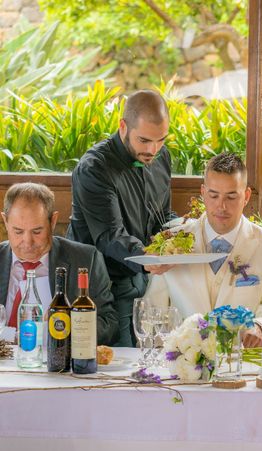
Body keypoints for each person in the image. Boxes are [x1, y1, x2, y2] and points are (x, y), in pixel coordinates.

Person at [143, 152, 262, 347]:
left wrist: (260, 327)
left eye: (231, 196)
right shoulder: (170, 243)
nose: (221, 206)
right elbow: (152, 314)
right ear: (203, 193)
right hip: (181, 366)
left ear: (246, 196)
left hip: (240, 366)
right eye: (213, 195)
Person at [67, 90, 176, 347]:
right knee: (123, 365)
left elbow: (162, 217)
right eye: (145, 140)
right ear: (123, 126)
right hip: (101, 287)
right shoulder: (94, 168)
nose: (153, 150)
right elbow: (108, 236)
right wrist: (149, 258)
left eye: (161, 140)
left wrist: (185, 231)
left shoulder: (163, 157)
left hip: (146, 282)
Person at [1, 183, 119, 345]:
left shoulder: (85, 259)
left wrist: (68, 325)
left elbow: (109, 324)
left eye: (37, 231)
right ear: (5, 222)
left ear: (53, 221)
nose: (27, 242)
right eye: (18, 231)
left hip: (59, 361)